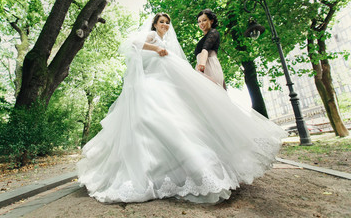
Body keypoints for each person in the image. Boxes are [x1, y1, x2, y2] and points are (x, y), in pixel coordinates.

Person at [77, 13, 286, 204]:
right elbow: (133, 44)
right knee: (148, 122)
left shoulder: (170, 42)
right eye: (162, 22)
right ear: (155, 24)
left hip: (166, 87)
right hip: (151, 86)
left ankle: (191, 171)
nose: (165, 25)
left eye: (167, 22)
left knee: (181, 124)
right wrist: (156, 48)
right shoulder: (151, 36)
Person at [195, 9, 226, 89]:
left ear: (211, 21)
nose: (201, 23)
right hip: (202, 66)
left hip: (208, 65)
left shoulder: (213, 32)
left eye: (204, 20)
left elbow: (205, 49)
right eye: (199, 21)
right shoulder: (204, 38)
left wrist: (201, 65)